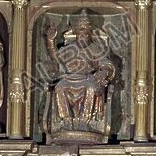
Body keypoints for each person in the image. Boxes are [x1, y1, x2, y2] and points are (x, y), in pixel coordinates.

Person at [44, 13, 115, 141]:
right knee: (59, 87)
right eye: (80, 34)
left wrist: (103, 72)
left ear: (89, 35)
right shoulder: (70, 48)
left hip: (87, 79)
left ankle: (84, 121)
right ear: (76, 35)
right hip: (69, 78)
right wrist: (51, 40)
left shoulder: (95, 49)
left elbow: (106, 64)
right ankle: (67, 121)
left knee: (92, 88)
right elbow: (56, 57)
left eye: (85, 34)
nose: (83, 37)